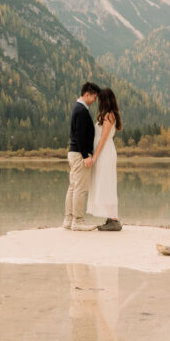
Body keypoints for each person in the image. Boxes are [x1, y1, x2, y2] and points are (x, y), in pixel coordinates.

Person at [63, 81, 101, 231]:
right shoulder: (81, 110)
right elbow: (80, 135)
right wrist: (86, 155)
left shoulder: (78, 108)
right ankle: (77, 221)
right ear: (87, 94)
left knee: (73, 187)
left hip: (74, 153)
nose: (95, 101)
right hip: (79, 154)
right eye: (94, 97)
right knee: (80, 188)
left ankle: (68, 219)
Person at [88, 87, 123, 232]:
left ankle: (114, 220)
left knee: (106, 183)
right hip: (103, 152)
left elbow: (103, 138)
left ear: (104, 100)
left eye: (100, 99)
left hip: (105, 153)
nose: (98, 102)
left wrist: (95, 156)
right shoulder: (107, 114)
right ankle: (110, 218)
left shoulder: (109, 115)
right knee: (104, 183)